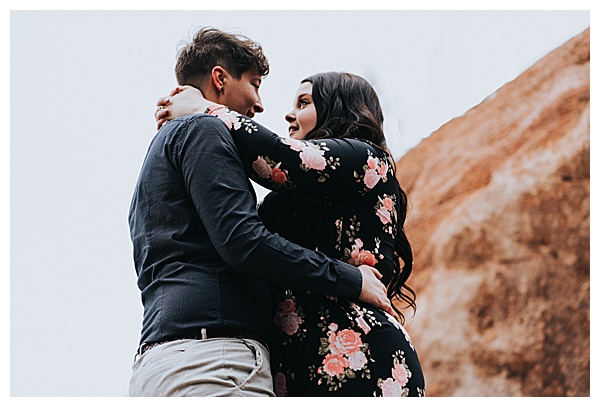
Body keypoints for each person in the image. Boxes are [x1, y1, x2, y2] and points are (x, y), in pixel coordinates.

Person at [128, 28, 393, 397]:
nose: (265, 106)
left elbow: (286, 161)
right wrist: (350, 279)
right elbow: (246, 241)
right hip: (215, 363)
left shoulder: (364, 158)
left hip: (167, 362)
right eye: (254, 83)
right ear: (220, 78)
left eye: (303, 103)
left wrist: (206, 109)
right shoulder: (202, 131)